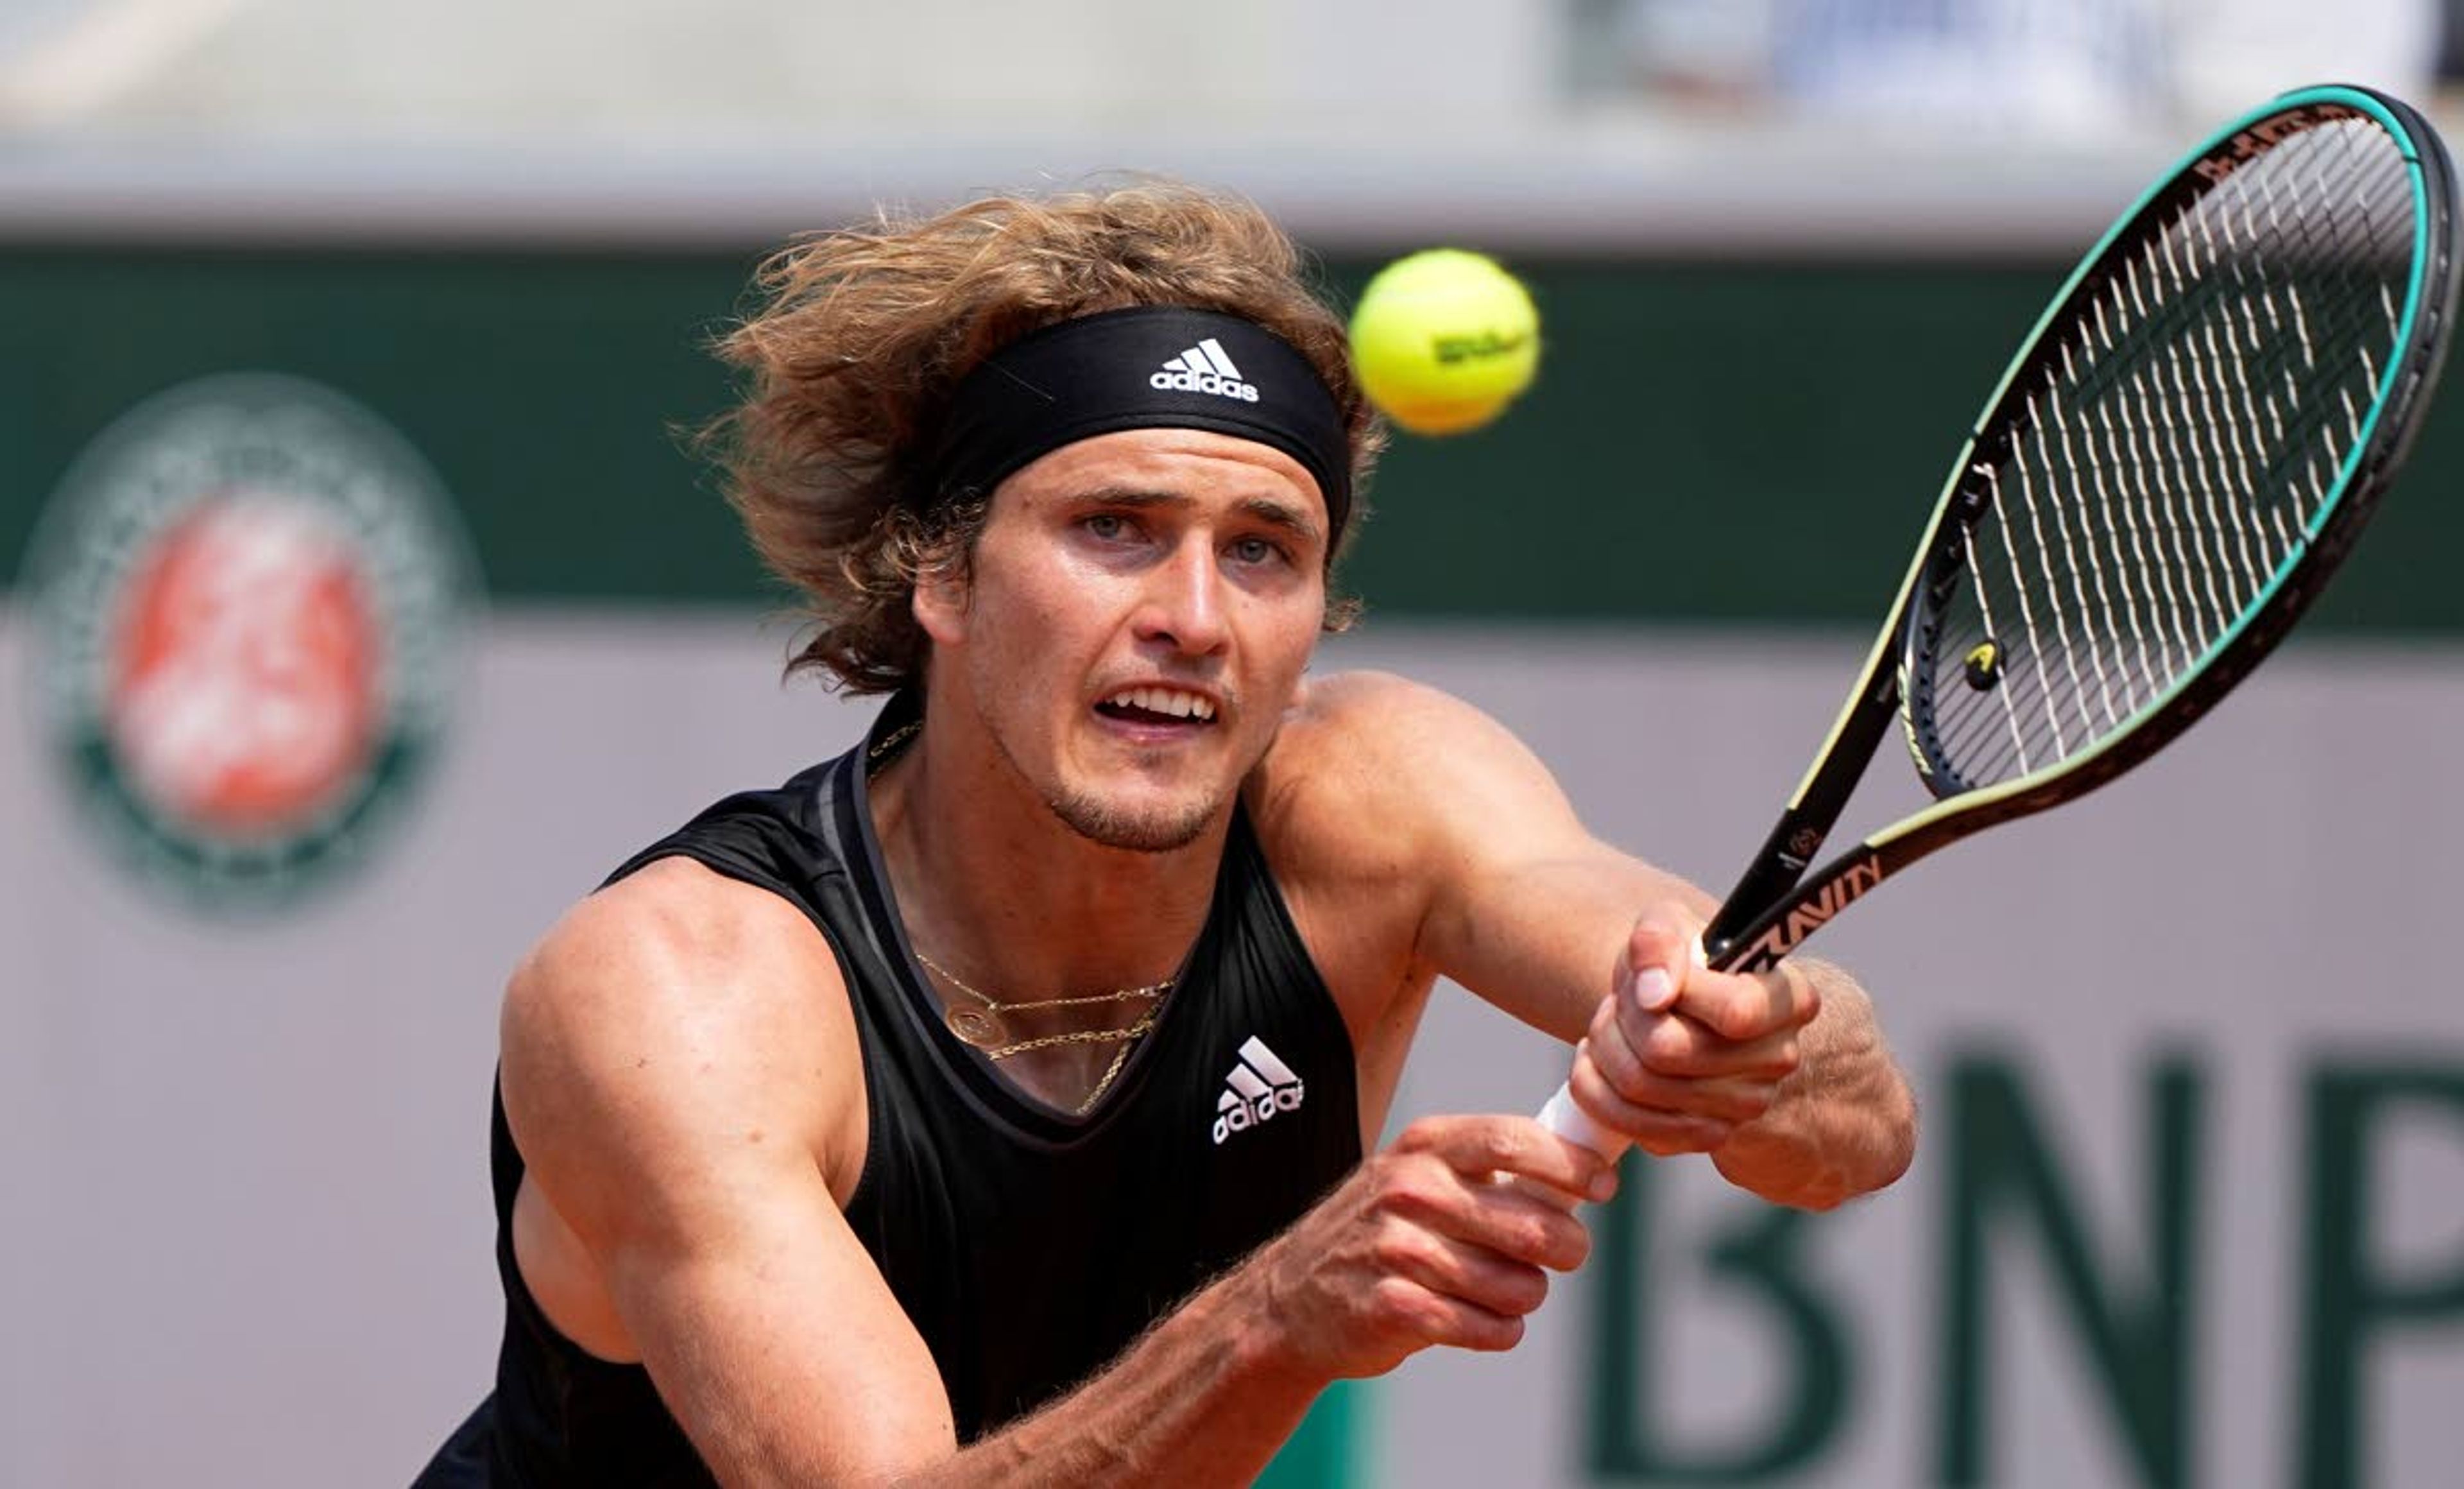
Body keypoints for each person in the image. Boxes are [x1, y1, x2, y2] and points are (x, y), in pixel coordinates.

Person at [415, 179, 1917, 1488]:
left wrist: (1762, 1045)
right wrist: (1276, 1317)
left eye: (1261, 551)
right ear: (939, 579)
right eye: (1112, 528)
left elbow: (1852, 1136)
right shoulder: (684, 991)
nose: (1194, 618)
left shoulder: (1378, 804)